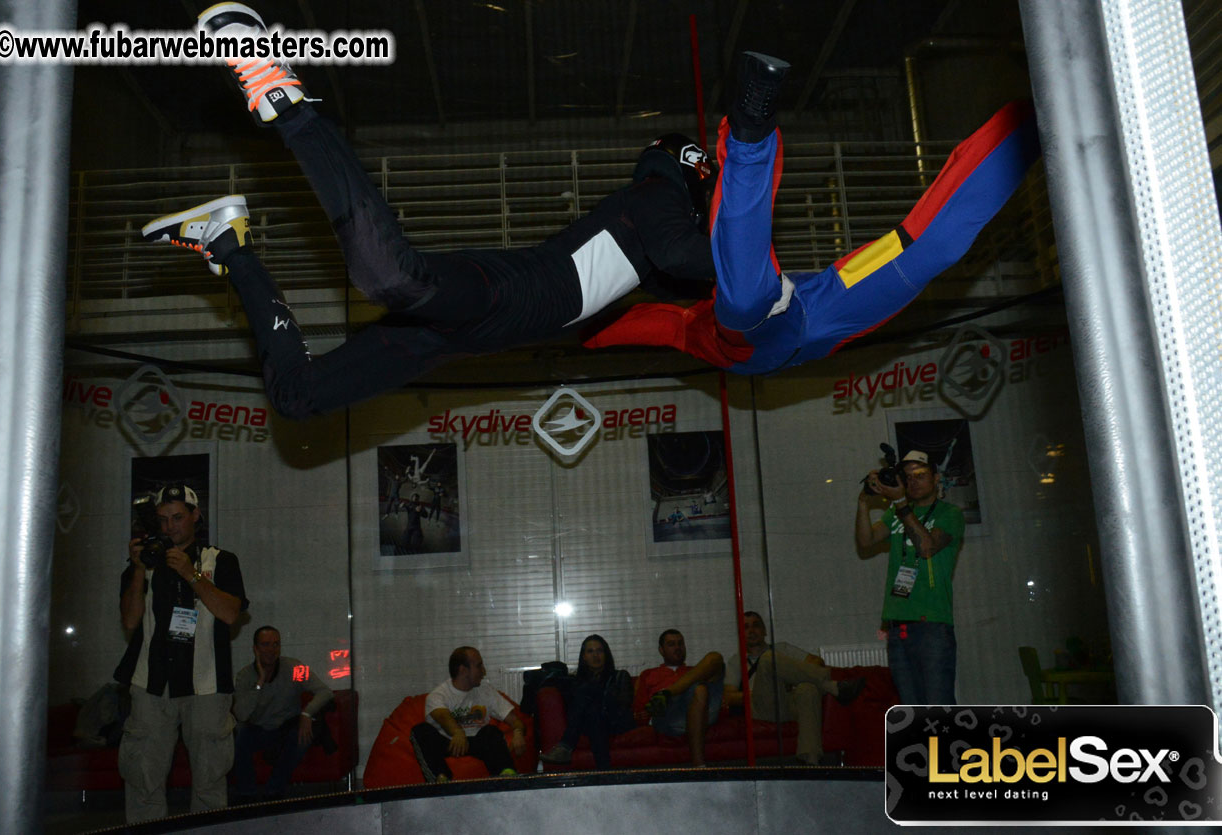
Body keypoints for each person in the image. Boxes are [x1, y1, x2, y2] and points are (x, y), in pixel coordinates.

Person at [141, 3, 718, 421]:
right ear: (692, 173)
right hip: (513, 293)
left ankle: (229, 245)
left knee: (299, 396)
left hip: (457, 340)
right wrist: (773, 280)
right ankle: (284, 97)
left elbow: (679, 291)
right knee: (388, 277)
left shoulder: (662, 234)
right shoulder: (659, 196)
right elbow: (684, 254)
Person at [585, 52, 1042, 374]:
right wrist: (555, 322)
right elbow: (632, 322)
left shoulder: (694, 254)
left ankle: (1036, 121)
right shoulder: (656, 233)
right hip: (758, 334)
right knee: (745, 297)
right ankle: (750, 135)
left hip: (813, 302)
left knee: (927, 248)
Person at [114, 484, 247, 823]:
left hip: (207, 683)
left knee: (210, 782)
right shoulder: (144, 564)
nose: (170, 527)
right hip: (150, 684)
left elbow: (231, 614)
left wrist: (191, 573)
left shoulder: (221, 560)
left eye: (177, 518)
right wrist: (140, 568)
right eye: (162, 519)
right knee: (143, 779)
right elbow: (129, 620)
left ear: (195, 516)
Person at [855, 450, 965, 704]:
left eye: (920, 475)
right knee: (911, 707)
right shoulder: (896, 513)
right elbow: (865, 540)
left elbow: (926, 548)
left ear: (936, 478)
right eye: (907, 477)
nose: (913, 482)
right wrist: (863, 502)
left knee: (938, 705)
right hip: (897, 625)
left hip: (932, 624)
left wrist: (901, 503)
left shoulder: (950, 514)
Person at [723, 611, 865, 765]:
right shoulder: (736, 661)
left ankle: (811, 761)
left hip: (787, 703)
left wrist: (791, 677)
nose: (751, 631)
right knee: (767, 659)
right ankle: (831, 686)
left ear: (764, 631)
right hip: (761, 706)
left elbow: (816, 661)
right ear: (741, 635)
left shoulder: (782, 648)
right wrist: (756, 693)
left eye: (756, 625)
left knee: (807, 689)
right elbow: (729, 697)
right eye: (746, 627)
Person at [231, 626, 334, 801]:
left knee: (304, 735)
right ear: (255, 649)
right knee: (239, 735)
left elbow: (325, 692)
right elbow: (241, 715)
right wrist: (260, 682)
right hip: (258, 729)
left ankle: (274, 792)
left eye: (276, 644)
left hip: (286, 728)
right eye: (265, 645)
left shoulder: (294, 669)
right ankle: (246, 795)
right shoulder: (245, 676)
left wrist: (306, 714)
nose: (271, 650)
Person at [410, 646, 528, 783]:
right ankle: (440, 778)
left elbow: (516, 721)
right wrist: (458, 733)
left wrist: (518, 733)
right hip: (448, 743)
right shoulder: (438, 695)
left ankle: (507, 774)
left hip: (476, 742)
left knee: (491, 732)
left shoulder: (486, 691)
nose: (484, 671)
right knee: (420, 731)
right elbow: (442, 716)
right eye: (479, 666)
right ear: (463, 670)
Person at [539, 634, 635, 769]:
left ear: (606, 654)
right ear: (583, 657)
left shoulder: (620, 676)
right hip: (592, 721)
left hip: (616, 720)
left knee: (590, 705)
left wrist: (596, 693)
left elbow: (624, 704)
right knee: (593, 715)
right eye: (590, 651)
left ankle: (565, 747)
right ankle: (605, 771)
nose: (595, 655)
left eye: (599, 651)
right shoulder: (577, 682)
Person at [634, 629, 725, 767]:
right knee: (699, 689)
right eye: (671, 644)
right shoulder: (648, 674)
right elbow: (639, 711)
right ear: (661, 650)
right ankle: (699, 766)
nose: (677, 648)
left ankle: (667, 692)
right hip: (669, 717)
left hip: (701, 711)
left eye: (680, 643)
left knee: (715, 658)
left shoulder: (696, 671)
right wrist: (645, 714)